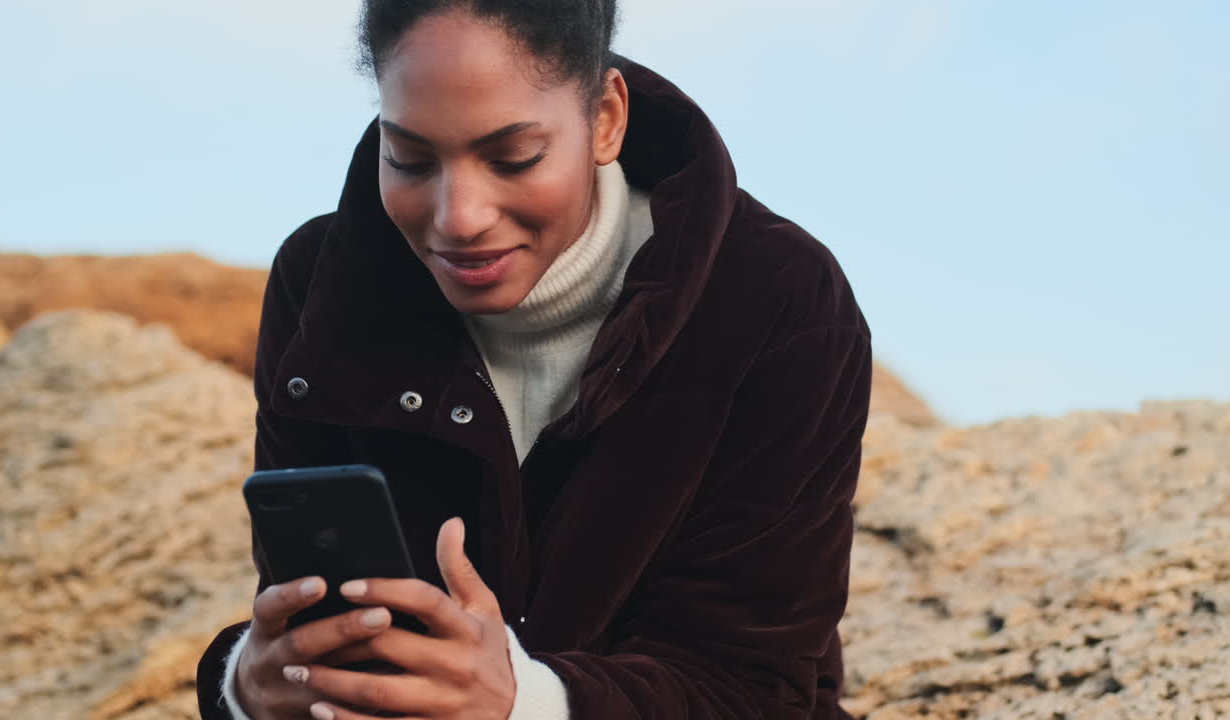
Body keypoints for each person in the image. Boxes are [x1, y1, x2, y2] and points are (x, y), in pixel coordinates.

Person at [196, 0, 872, 718]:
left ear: (607, 119)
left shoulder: (777, 298)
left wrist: (525, 702)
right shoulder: (321, 283)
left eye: (512, 157)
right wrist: (247, 685)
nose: (459, 218)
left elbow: (755, 687)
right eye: (410, 159)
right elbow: (307, 623)